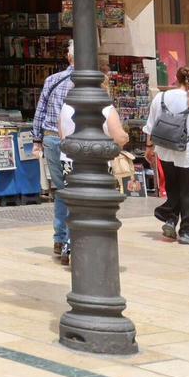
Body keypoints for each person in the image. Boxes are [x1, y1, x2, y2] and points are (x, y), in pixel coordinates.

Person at [55, 86, 132, 263]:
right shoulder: (106, 109)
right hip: (99, 162)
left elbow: (61, 135)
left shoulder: (67, 107)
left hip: (69, 159)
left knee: (73, 202)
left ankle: (67, 244)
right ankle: (81, 245)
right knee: (95, 205)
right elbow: (119, 137)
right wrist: (124, 137)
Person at [146, 73, 189, 245]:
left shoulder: (160, 97)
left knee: (172, 187)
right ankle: (187, 231)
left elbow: (151, 125)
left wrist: (149, 147)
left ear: (176, 78)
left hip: (165, 150)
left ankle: (171, 219)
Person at [31, 43, 74, 264]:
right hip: (76, 141)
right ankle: (67, 242)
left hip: (51, 138)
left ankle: (59, 238)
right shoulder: (92, 82)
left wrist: (36, 140)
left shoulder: (52, 80)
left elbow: (40, 111)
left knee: (60, 189)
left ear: (68, 56)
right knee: (75, 190)